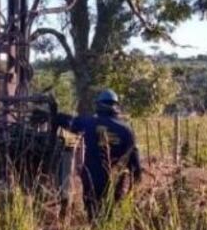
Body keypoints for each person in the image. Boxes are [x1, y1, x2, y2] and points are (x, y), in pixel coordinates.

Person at [53, 89, 143, 219]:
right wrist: (134, 187)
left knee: (93, 215)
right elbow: (135, 165)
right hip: (115, 183)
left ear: (98, 106)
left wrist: (56, 118)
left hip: (90, 180)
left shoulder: (86, 122)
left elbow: (70, 124)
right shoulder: (126, 129)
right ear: (116, 106)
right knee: (109, 216)